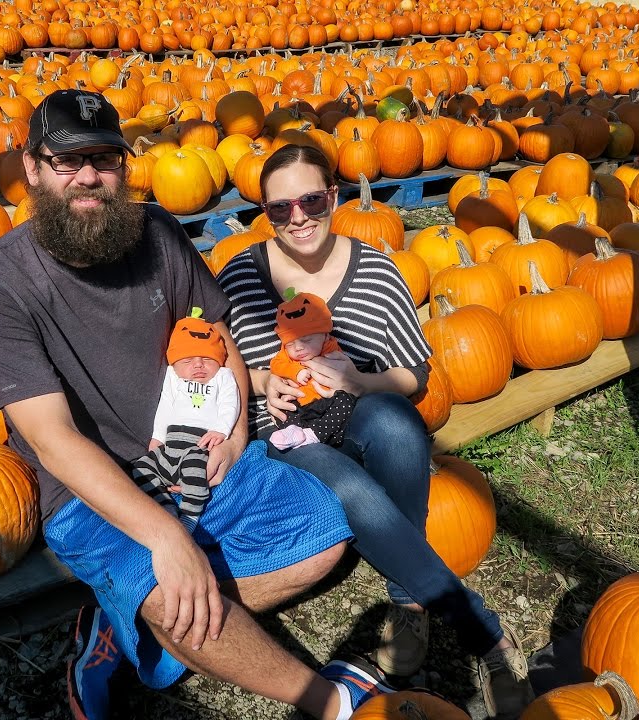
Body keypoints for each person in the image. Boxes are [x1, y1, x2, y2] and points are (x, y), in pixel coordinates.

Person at [0, 89, 399, 720]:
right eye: (66, 160)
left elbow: (218, 334)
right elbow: (53, 438)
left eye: (104, 159)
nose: (88, 176)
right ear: (31, 167)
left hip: (198, 447)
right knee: (169, 589)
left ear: (123, 165)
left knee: (325, 535)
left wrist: (237, 432)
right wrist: (164, 535)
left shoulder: (158, 232)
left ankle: (127, 625)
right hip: (91, 490)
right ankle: (330, 700)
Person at [215, 144, 537, 719]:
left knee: (396, 423)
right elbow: (221, 366)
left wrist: (359, 380)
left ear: (333, 196)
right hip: (284, 433)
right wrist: (263, 380)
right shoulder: (240, 277)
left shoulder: (377, 271)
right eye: (280, 208)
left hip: (357, 412)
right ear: (265, 213)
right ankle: (483, 632)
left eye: (311, 200)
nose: (298, 217)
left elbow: (414, 373)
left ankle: (408, 602)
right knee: (349, 486)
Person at [132, 306, 240, 531]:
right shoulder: (173, 377)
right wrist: (158, 436)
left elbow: (230, 404)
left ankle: (190, 516)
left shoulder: (222, 376)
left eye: (206, 358)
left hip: (198, 446)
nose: (198, 364)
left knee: (194, 469)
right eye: (188, 360)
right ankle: (165, 508)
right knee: (141, 467)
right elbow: (165, 405)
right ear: (175, 364)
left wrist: (222, 429)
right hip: (170, 447)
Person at [268, 288, 357, 451]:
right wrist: (295, 371)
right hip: (300, 402)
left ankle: (315, 434)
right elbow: (276, 364)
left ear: (325, 335)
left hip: (327, 401)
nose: (298, 348)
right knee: (283, 406)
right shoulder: (286, 355)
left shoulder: (331, 349)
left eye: (307, 340)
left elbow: (343, 373)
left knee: (346, 401)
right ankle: (292, 431)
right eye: (290, 344)